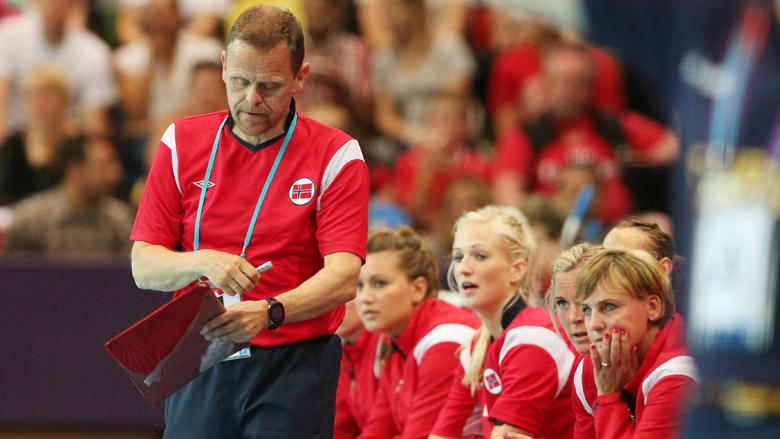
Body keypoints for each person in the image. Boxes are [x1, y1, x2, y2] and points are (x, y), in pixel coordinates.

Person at [130, 5, 369, 438]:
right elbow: (144, 266)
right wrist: (202, 261)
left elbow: (344, 278)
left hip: (295, 363)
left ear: (300, 78)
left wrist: (271, 311)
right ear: (223, 66)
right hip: (201, 355)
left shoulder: (337, 155)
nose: (252, 99)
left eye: (270, 85)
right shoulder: (181, 142)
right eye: (239, 81)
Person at [492, 41, 679, 225]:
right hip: (553, 233)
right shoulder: (526, 135)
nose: (568, 90)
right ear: (545, 82)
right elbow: (506, 196)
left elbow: (672, 144)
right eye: (561, 81)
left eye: (578, 82)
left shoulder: (613, 126)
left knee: (660, 224)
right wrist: (551, 212)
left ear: (590, 86)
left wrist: (646, 159)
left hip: (616, 231)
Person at [431, 205, 577, 439]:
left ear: (517, 270)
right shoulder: (476, 346)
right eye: (458, 257)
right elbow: (443, 434)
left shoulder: (533, 339)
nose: (464, 269)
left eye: (480, 256)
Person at [356, 226, 480, 439]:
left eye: (379, 283)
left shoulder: (447, 341)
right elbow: (377, 429)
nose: (365, 297)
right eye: (359, 285)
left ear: (418, 288)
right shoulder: (393, 339)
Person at [576, 248, 698, 438]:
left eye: (609, 306)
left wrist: (609, 396)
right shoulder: (594, 369)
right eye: (587, 310)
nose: (593, 324)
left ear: (653, 307)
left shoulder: (677, 377)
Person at [0, 0, 117, 140]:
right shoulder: (7, 35)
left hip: (66, 141)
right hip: (14, 137)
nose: (54, 5)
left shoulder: (95, 51)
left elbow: (95, 124)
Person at [4, 136, 132, 255]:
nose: (116, 175)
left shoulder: (120, 220)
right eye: (103, 167)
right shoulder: (30, 219)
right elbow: (13, 269)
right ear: (75, 170)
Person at [0, 66, 74, 206]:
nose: (40, 104)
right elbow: (4, 192)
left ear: (64, 100)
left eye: (47, 95)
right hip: (19, 214)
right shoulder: (13, 144)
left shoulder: (76, 142)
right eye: (33, 96)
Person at [334, 298, 382, 439]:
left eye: (340, 298)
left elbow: (385, 424)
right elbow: (341, 425)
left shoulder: (385, 345)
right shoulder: (343, 354)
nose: (329, 309)